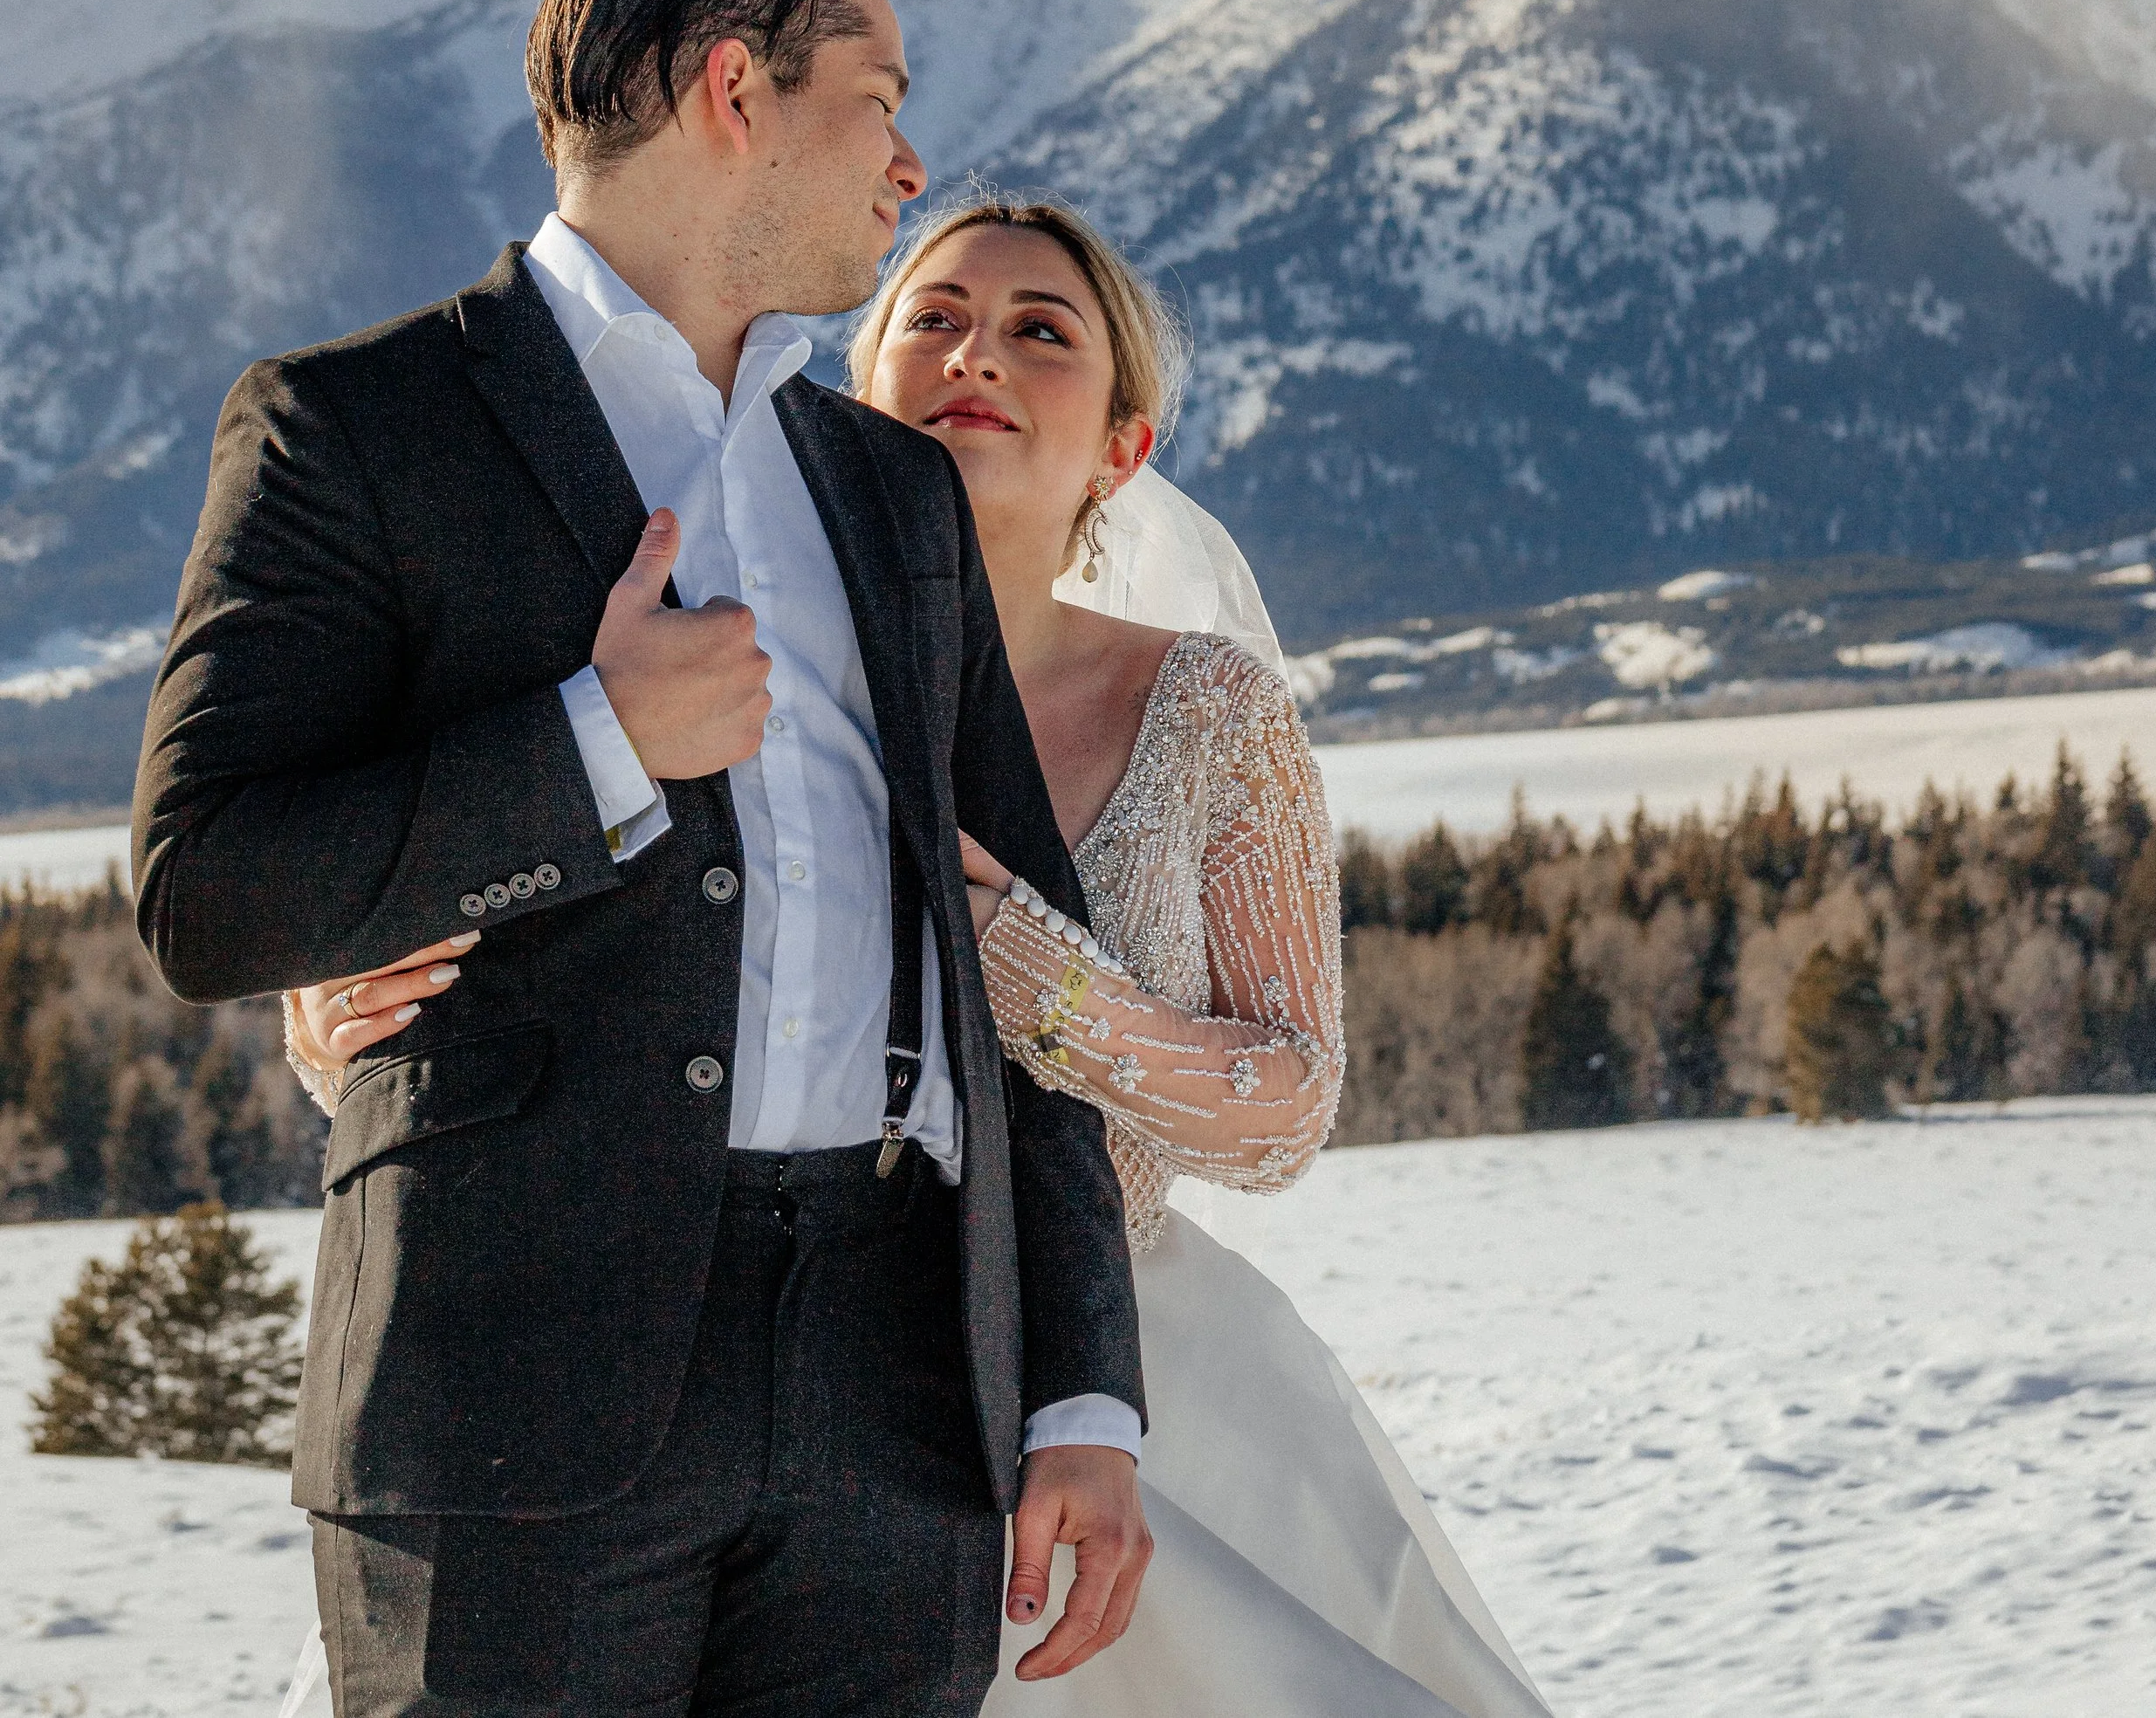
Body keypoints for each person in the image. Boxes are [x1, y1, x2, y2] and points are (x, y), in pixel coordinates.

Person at [296, 189, 1551, 1718]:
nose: (980, 355)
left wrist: (1029, 971)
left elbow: (1287, 1104)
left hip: (1134, 1386)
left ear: (1123, 446)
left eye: (1043, 333)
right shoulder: (715, 645)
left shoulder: (1212, 709)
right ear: (847, 401)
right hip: (690, 1371)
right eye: (933, 320)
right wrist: (346, 1008)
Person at [133, 0, 1150, 1718]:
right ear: (731, 94)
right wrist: (598, 737)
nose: (908, 160)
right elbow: (210, 891)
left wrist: (1075, 1393)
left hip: (896, 1398)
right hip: (506, 1395)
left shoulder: (888, 489)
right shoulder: (349, 430)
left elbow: (1022, 952)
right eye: (877, 95)